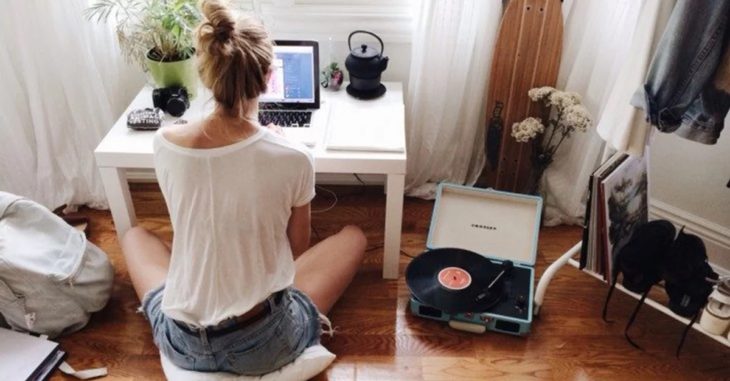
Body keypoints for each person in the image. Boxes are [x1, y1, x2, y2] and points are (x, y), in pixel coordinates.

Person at [120, 0, 367, 375]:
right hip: (261, 341)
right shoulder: (293, 157)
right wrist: (275, 146)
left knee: (135, 236)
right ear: (269, 76)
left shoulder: (164, 143)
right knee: (353, 237)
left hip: (183, 341)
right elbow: (296, 249)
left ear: (205, 74)